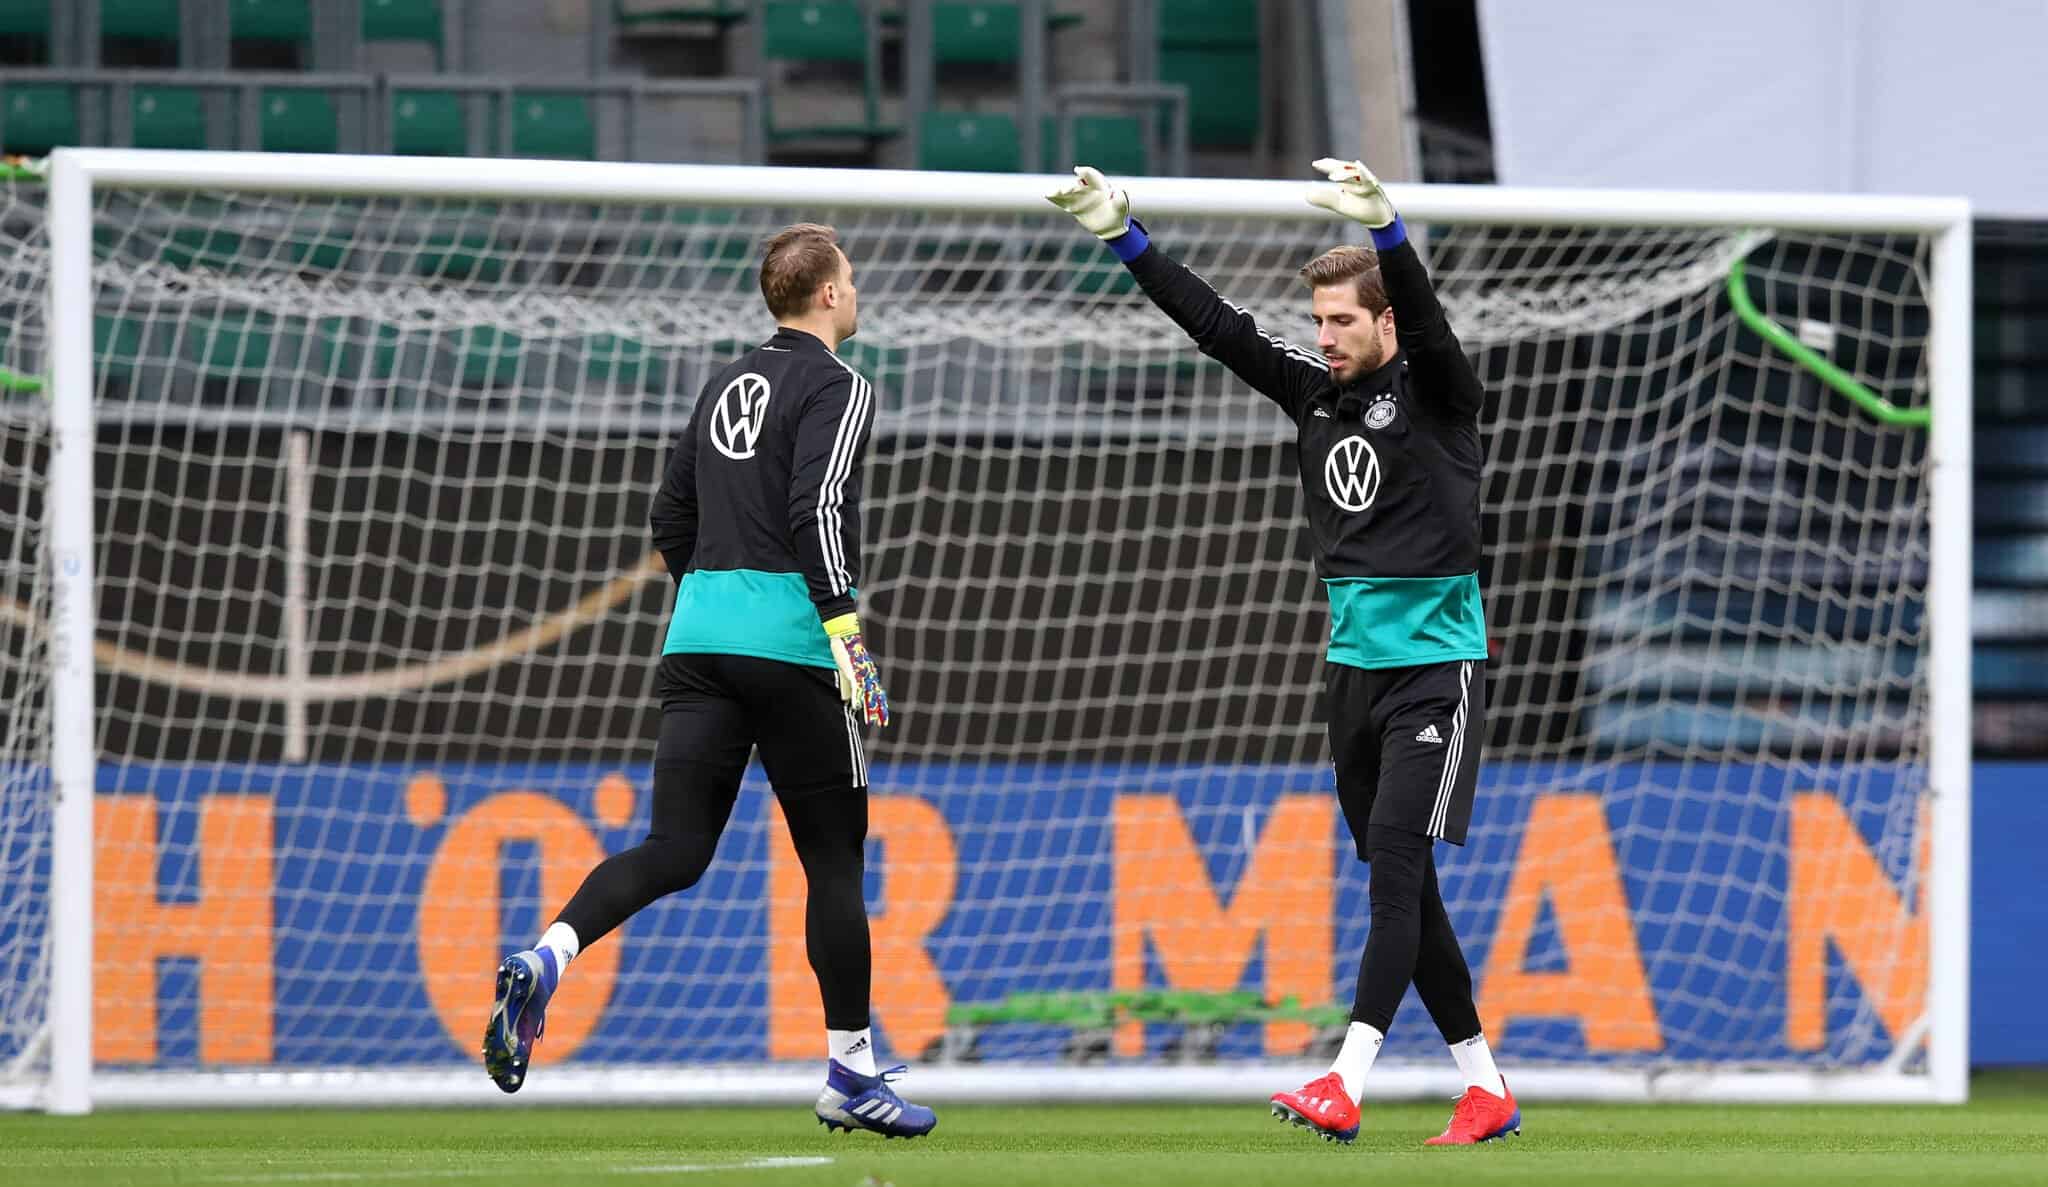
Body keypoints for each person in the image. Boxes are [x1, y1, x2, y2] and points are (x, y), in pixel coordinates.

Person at [1047, 159, 1519, 1146]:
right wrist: (1123, 238)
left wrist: (1388, 229)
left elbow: (1431, 324)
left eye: (1342, 320)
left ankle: (1345, 1079)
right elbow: (1218, 328)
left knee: (1395, 875)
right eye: (1318, 321)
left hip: (1435, 671)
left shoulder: (1440, 396)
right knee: (1407, 888)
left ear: (1385, 322)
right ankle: (1484, 1088)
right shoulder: (1313, 399)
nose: (1325, 336)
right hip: (1351, 677)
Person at [481, 222, 935, 1139]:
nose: (854, 291)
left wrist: (714, 598)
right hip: (793, 640)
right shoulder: (840, 384)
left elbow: (669, 514)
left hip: (697, 637)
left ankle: (549, 954)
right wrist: (844, 630)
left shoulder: (724, 380)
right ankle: (851, 1072)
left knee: (675, 847)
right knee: (834, 861)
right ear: (828, 294)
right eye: (849, 280)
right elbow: (817, 505)